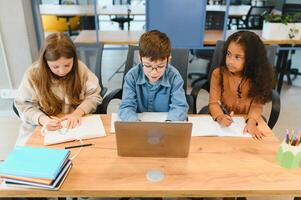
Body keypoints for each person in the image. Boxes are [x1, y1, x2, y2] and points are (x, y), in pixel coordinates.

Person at [15, 32, 102, 131]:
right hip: (46, 125)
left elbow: (94, 95)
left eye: (67, 65)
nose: (62, 71)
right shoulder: (33, 74)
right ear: (45, 62)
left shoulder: (80, 68)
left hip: (76, 124)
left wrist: (78, 113)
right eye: (55, 66)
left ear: (74, 58)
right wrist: (42, 119)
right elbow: (23, 105)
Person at [209, 31, 274, 140]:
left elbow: (256, 106)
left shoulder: (258, 78)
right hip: (223, 117)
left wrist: (252, 122)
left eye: (237, 57)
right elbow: (213, 103)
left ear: (251, 60)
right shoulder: (218, 74)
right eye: (228, 54)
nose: (230, 61)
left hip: (246, 119)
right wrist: (220, 117)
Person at [118, 30, 188, 121]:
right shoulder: (132, 76)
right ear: (140, 58)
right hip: (139, 125)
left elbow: (180, 107)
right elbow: (126, 107)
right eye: (148, 66)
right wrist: (135, 124)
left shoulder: (174, 77)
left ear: (168, 59)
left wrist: (170, 124)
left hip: (166, 126)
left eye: (160, 66)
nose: (154, 73)